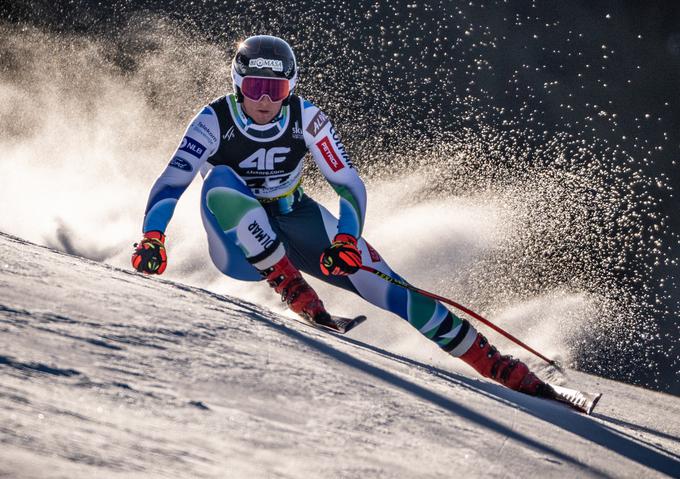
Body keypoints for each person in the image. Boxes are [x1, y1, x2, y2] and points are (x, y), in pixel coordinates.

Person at [132, 35, 547, 396]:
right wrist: (153, 236)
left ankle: (498, 366)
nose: (264, 100)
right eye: (255, 87)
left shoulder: (307, 119)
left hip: (298, 220)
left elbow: (349, 185)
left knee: (396, 289)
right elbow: (172, 183)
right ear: (238, 84)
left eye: (274, 90)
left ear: (289, 88)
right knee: (220, 179)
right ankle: (291, 286)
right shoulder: (212, 121)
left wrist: (347, 238)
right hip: (239, 248)